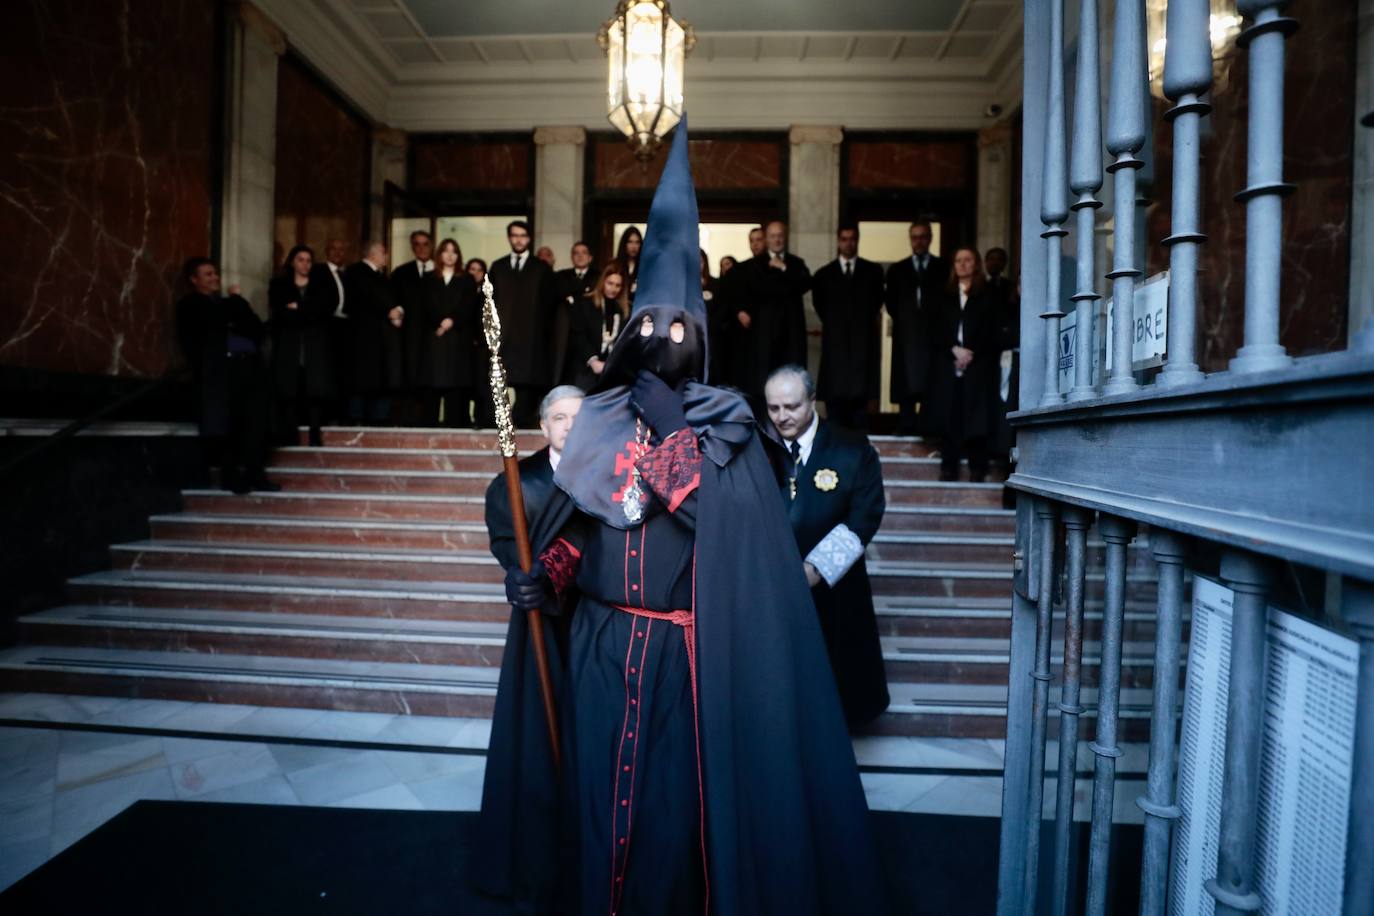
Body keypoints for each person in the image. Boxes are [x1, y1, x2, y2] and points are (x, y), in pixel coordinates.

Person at [475, 116, 889, 916]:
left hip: (683, 655)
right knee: (596, 797)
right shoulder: (596, 418)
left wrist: (672, 426)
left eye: (678, 328)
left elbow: (722, 525)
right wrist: (544, 578)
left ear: (698, 339)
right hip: (598, 645)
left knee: (669, 816)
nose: (661, 338)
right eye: (649, 326)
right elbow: (585, 526)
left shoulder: (727, 418)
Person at [764, 364, 889, 728]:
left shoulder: (852, 449)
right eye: (774, 409)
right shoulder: (760, 450)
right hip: (772, 585)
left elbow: (865, 515)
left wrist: (816, 569)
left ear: (813, 401)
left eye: (791, 407)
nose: (782, 417)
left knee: (836, 681)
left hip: (835, 586)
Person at [176, 257, 277, 494]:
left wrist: (236, 305)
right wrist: (231, 320)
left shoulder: (233, 302)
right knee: (227, 424)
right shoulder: (190, 305)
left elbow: (255, 329)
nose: (214, 278)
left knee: (254, 423)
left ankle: (256, 474)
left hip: (249, 368)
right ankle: (231, 477)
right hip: (220, 371)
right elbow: (204, 332)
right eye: (207, 274)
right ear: (194, 280)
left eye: (215, 273)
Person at [484, 385, 584, 571]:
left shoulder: (611, 474)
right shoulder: (516, 482)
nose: (569, 426)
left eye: (578, 419)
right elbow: (506, 543)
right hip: (542, 589)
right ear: (545, 428)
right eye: (559, 418)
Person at [925, 246, 1001, 482]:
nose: (963, 264)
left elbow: (993, 330)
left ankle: (978, 468)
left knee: (977, 416)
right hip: (949, 364)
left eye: (968, 260)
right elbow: (933, 329)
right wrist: (953, 350)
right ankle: (949, 467)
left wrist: (971, 353)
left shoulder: (987, 294)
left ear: (976, 264)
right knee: (951, 416)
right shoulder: (943, 294)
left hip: (978, 364)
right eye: (958, 260)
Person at [482, 220, 556, 429]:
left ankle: (521, 424)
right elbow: (489, 302)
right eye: (514, 235)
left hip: (531, 339)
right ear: (509, 238)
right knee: (497, 383)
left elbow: (548, 306)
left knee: (527, 388)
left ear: (529, 238)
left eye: (523, 235)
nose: (519, 239)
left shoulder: (541, 268)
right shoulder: (498, 266)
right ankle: (495, 425)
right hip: (503, 337)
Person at [811, 223, 885, 430]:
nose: (848, 243)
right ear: (837, 242)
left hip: (863, 350)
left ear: (858, 240)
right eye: (844, 239)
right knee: (835, 418)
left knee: (860, 419)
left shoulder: (873, 272)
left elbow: (876, 303)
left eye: (852, 239)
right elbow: (821, 306)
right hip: (836, 351)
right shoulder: (823, 275)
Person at [731, 219, 812, 399]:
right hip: (763, 334)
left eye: (780, 236)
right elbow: (747, 291)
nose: (777, 240)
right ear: (767, 239)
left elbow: (806, 283)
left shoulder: (795, 263)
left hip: (790, 333)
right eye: (773, 236)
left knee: (792, 382)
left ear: (786, 238)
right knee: (762, 386)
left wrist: (783, 268)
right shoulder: (754, 265)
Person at [268, 244, 338, 447]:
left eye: (308, 260)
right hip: (289, 344)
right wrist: (306, 311)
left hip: (315, 344)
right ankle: (291, 432)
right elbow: (281, 312)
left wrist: (298, 307)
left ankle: (315, 431)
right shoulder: (279, 284)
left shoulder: (320, 285)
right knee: (289, 386)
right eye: (301, 259)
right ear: (292, 261)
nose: (305, 264)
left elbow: (325, 308)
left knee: (315, 387)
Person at [885, 220, 947, 436]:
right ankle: (906, 423)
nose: (919, 241)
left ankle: (929, 426)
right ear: (910, 240)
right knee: (905, 380)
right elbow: (891, 302)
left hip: (933, 335)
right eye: (915, 237)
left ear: (930, 239)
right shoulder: (897, 269)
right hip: (906, 335)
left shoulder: (943, 267)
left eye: (923, 237)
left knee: (932, 380)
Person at [342, 241, 403, 425]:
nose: (386, 257)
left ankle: (379, 417)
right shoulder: (357, 272)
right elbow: (368, 297)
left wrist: (397, 311)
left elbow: (391, 297)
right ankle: (357, 416)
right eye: (384, 253)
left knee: (380, 377)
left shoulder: (381, 276)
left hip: (380, 338)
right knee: (362, 378)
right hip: (362, 336)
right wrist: (388, 311)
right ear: (373, 254)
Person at [421, 238, 479, 427]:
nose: (450, 255)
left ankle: (454, 424)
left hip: (458, 336)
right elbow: (426, 304)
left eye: (454, 251)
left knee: (456, 383)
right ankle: (429, 425)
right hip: (434, 337)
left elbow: (468, 305)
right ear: (439, 254)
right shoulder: (429, 278)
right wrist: (440, 321)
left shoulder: (467, 279)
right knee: (433, 382)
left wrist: (451, 321)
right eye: (446, 251)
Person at [391, 230, 436, 420]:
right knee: (409, 377)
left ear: (432, 246)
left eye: (425, 244)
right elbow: (394, 300)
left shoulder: (440, 271)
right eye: (417, 244)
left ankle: (429, 419)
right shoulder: (401, 273)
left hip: (435, 336)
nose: (421, 248)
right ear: (412, 247)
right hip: (409, 336)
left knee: (433, 377)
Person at [564, 261, 629, 391]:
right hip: (586, 368)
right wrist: (593, 361)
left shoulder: (625, 310)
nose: (613, 288)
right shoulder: (585, 304)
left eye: (618, 285)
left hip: (613, 372)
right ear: (602, 282)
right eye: (610, 283)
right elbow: (578, 335)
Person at [552, 241, 597, 384]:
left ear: (590, 257)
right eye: (576, 253)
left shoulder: (598, 276)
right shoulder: (561, 276)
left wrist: (571, 298)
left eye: (584, 252)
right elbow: (559, 295)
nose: (580, 256)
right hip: (566, 334)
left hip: (590, 334)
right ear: (572, 257)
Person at [322, 239, 351, 420]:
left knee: (342, 373)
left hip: (345, 328)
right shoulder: (319, 271)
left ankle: (340, 415)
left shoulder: (347, 275)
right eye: (334, 249)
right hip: (327, 327)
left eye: (342, 249)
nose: (338, 253)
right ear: (327, 251)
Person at [614, 225, 642, 302]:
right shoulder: (615, 265)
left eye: (637, 242)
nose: (634, 246)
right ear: (624, 244)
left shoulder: (645, 267)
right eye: (630, 242)